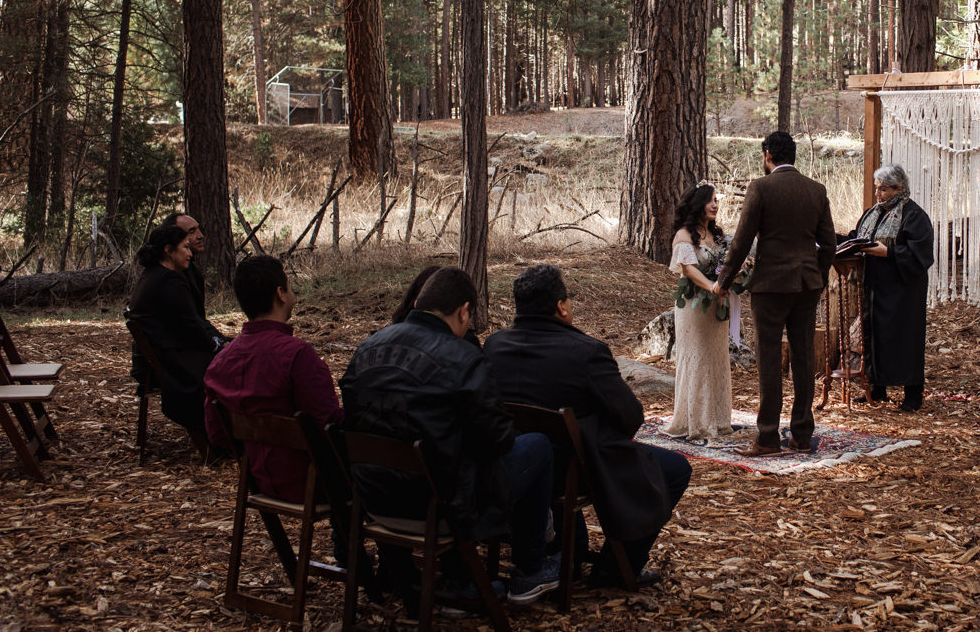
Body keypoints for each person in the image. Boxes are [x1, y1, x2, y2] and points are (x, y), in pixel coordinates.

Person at [339, 266, 561, 606]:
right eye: (469, 319)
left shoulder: (367, 348)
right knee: (538, 446)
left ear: (417, 303)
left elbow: (352, 422)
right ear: (463, 311)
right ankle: (530, 569)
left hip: (373, 498)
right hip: (441, 505)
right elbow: (499, 439)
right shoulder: (464, 357)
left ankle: (457, 576)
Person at [484, 264, 690, 588]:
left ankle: (569, 549)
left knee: (568, 446)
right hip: (573, 471)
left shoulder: (494, 346)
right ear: (561, 306)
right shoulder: (585, 352)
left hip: (513, 465)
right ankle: (616, 569)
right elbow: (630, 417)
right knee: (676, 467)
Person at [713, 130, 836, 457]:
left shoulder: (761, 188)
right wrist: (818, 276)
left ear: (768, 155)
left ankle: (767, 436)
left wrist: (724, 280)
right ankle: (802, 434)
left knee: (769, 359)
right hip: (806, 285)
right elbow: (830, 244)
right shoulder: (816, 190)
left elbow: (741, 241)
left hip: (770, 286)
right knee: (804, 356)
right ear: (792, 155)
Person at [203, 255, 343, 502]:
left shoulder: (221, 362)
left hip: (259, 480)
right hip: (315, 484)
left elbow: (217, 435)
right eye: (289, 286)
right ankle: (345, 538)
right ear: (280, 293)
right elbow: (331, 428)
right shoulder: (297, 356)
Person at [849, 163, 935, 412]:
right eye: (877, 188)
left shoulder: (913, 215)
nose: (878, 194)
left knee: (904, 339)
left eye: (884, 189)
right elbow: (858, 236)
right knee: (875, 337)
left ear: (900, 189)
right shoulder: (872, 213)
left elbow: (921, 253)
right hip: (875, 288)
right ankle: (877, 387)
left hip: (903, 291)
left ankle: (912, 394)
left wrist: (889, 252)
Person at [126, 222, 227, 435]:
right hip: (175, 362)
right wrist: (216, 344)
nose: (190, 253)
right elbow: (190, 327)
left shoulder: (152, 275)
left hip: (161, 356)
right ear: (168, 250)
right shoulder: (170, 281)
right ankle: (227, 431)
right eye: (185, 247)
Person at [662, 184, 736, 442]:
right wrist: (712, 287)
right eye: (710, 201)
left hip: (716, 308)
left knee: (716, 359)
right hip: (694, 308)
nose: (715, 205)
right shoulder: (684, 234)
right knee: (697, 359)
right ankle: (696, 422)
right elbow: (689, 269)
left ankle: (717, 419)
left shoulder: (716, 236)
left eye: (717, 200)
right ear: (698, 204)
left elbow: (727, 262)